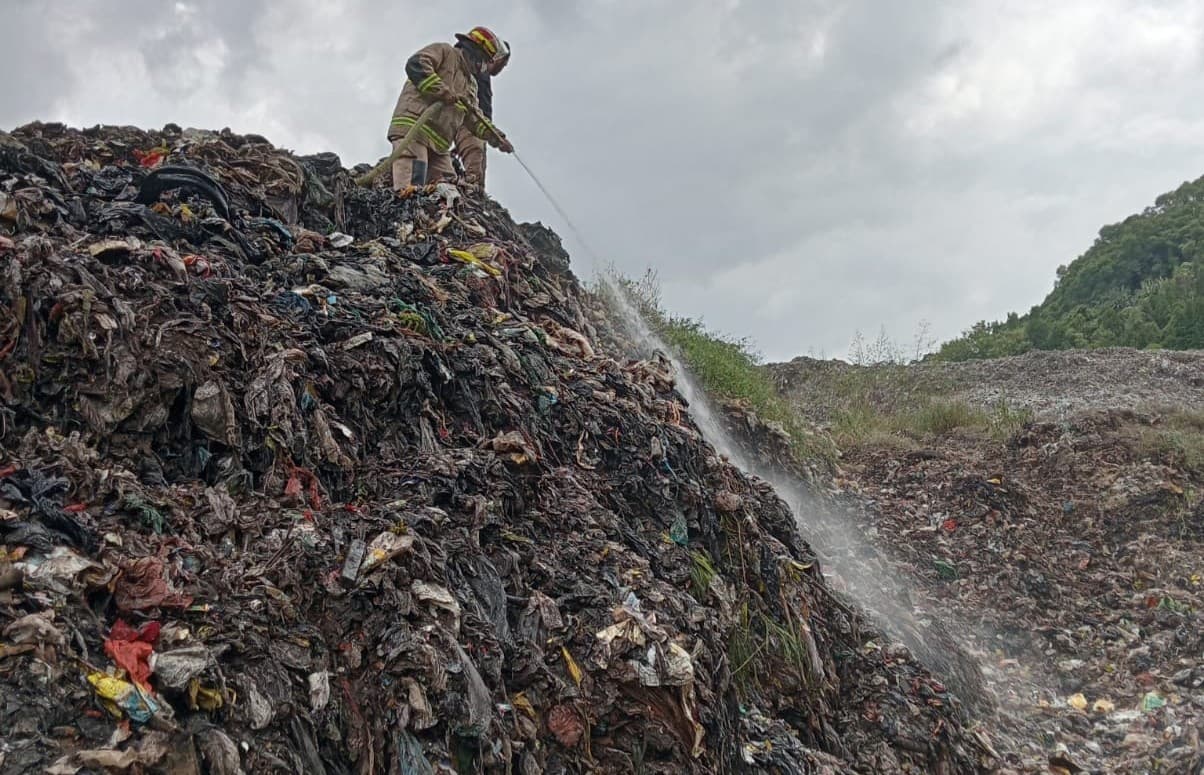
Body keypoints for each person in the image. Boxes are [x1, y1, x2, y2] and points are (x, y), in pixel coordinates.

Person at [386, 27, 514, 192]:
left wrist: (497, 138)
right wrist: (442, 91)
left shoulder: (471, 84)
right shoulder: (444, 52)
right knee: (412, 189)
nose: (481, 70)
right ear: (473, 53)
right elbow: (416, 64)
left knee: (449, 190)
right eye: (482, 62)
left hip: (438, 146)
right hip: (413, 131)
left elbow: (474, 118)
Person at [452, 38, 510, 189]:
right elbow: (476, 108)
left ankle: (472, 189)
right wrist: (497, 138)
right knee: (476, 156)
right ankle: (473, 190)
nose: (502, 68)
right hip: (470, 122)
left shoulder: (478, 73)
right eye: (503, 64)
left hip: (474, 123)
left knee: (476, 154)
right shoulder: (475, 71)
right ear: (496, 59)